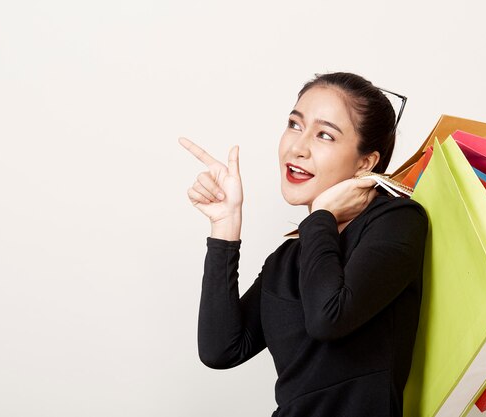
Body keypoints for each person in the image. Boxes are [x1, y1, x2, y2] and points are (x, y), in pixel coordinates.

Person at [179, 72, 428, 417]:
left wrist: (322, 214)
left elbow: (329, 318)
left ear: (366, 162)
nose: (298, 147)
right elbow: (221, 349)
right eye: (295, 125)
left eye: (325, 135)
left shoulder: (396, 220)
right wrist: (225, 226)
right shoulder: (289, 256)